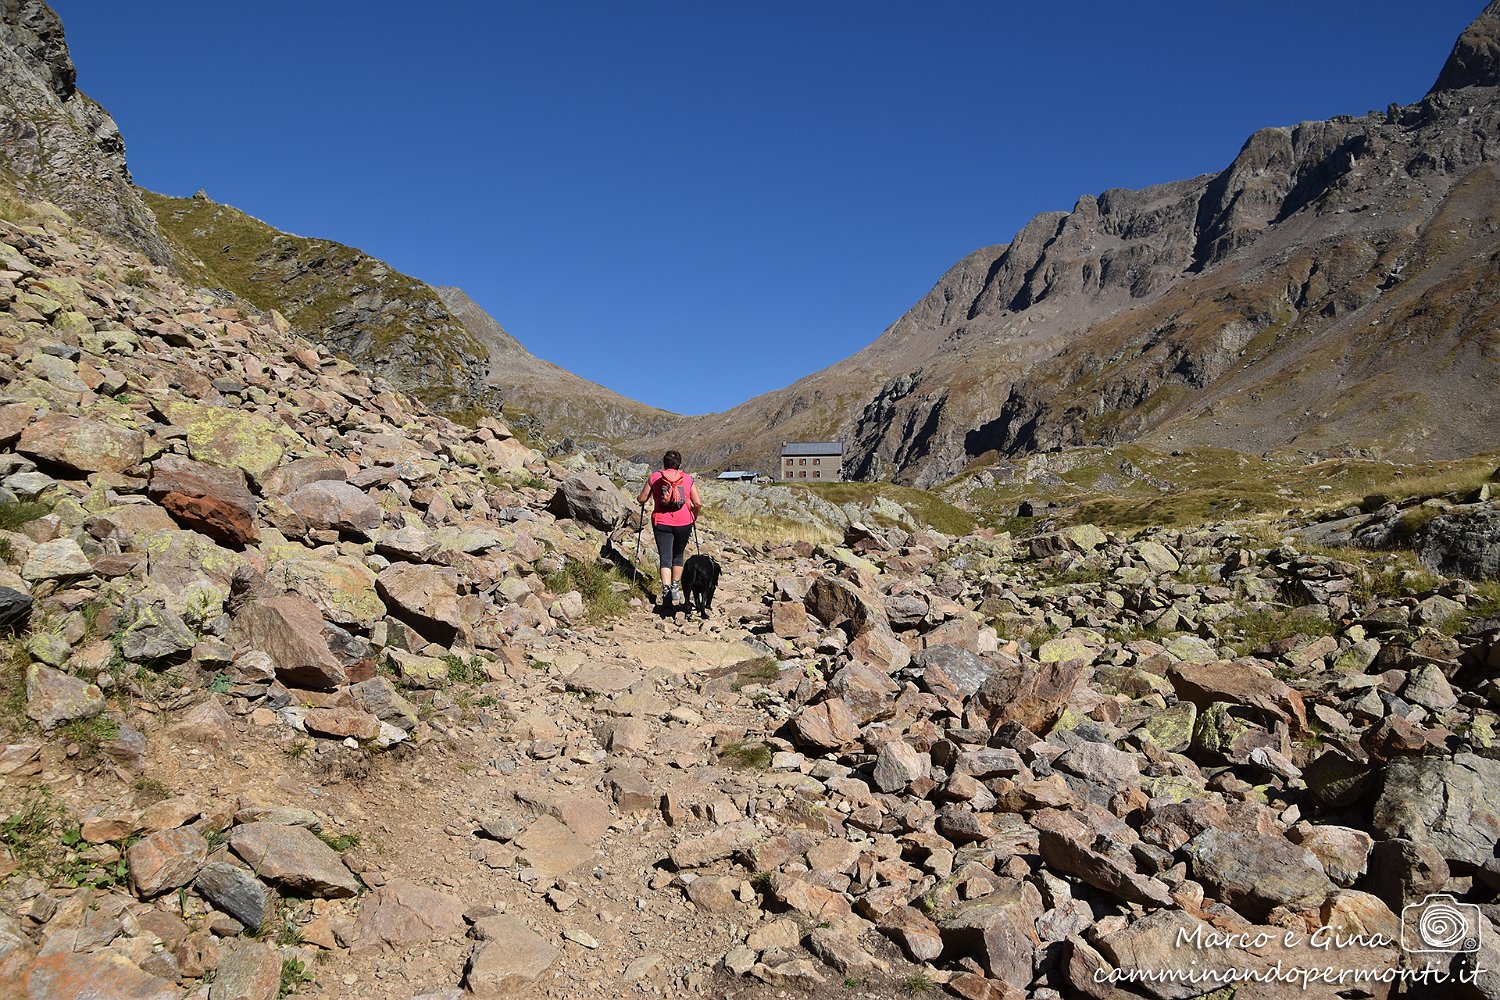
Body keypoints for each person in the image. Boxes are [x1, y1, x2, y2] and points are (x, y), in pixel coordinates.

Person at [637, 450, 702, 605]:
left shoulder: (655, 477)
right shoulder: (687, 479)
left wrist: (640, 498)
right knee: (678, 555)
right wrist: (694, 515)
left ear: (664, 463)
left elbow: (642, 499)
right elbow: (698, 503)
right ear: (679, 463)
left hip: (661, 522)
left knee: (665, 558)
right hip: (684, 522)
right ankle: (675, 587)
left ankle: (665, 590)